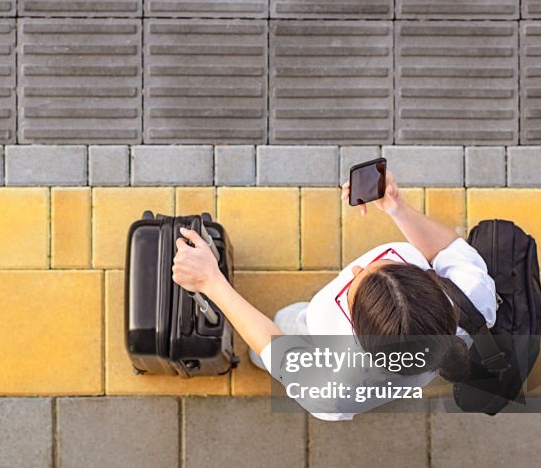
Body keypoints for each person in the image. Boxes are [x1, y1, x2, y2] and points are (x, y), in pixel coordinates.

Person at [171, 171, 497, 420]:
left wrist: (212, 283)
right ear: (431, 286)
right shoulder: (472, 294)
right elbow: (448, 250)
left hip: (311, 334)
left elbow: (280, 353)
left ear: (357, 331)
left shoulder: (334, 388)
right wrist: (397, 207)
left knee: (281, 331)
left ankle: (253, 359)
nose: (356, 270)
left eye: (354, 291)